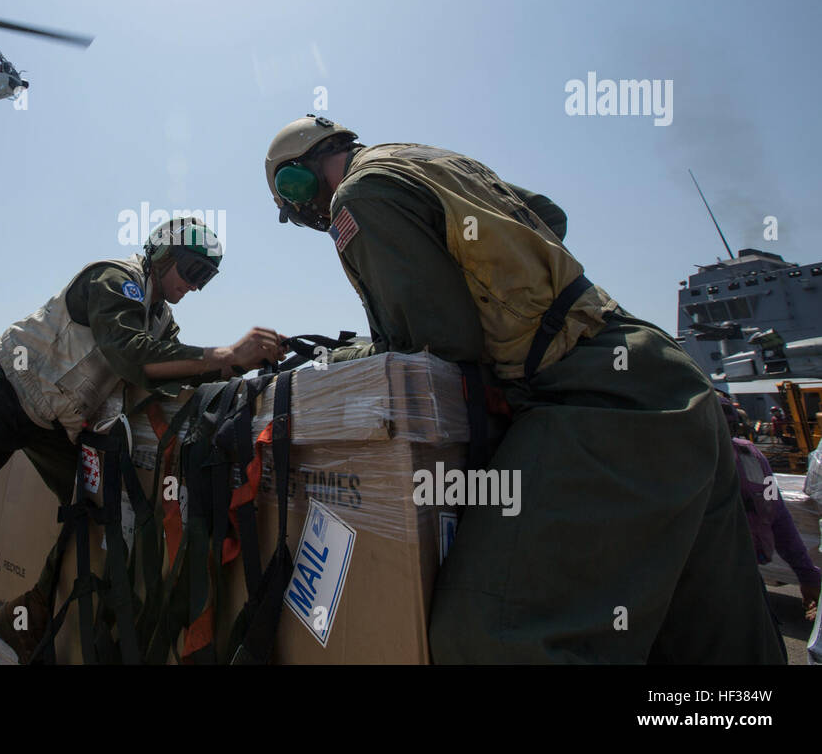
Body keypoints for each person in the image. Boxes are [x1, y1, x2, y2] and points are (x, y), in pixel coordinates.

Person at [264, 114, 786, 663]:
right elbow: (550, 215)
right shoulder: (425, 160)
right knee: (717, 641)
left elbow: (438, 342)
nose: (309, 217)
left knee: (490, 638)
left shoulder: (356, 196)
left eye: (296, 206)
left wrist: (339, 359)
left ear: (295, 182)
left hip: (593, 400)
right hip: (662, 378)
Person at [0, 217, 286, 664]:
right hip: (0, 393)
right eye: (191, 271)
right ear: (162, 255)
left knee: (95, 510)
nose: (194, 285)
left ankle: (32, 613)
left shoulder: (160, 319)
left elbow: (166, 372)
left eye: (205, 278)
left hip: (54, 423)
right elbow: (131, 355)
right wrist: (227, 353)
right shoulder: (116, 280)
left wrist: (237, 371)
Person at [731, 434, 821, 619]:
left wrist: (807, 575)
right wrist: (807, 574)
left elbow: (777, 512)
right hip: (740, 577)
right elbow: (777, 513)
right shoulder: (750, 455)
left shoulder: (749, 455)